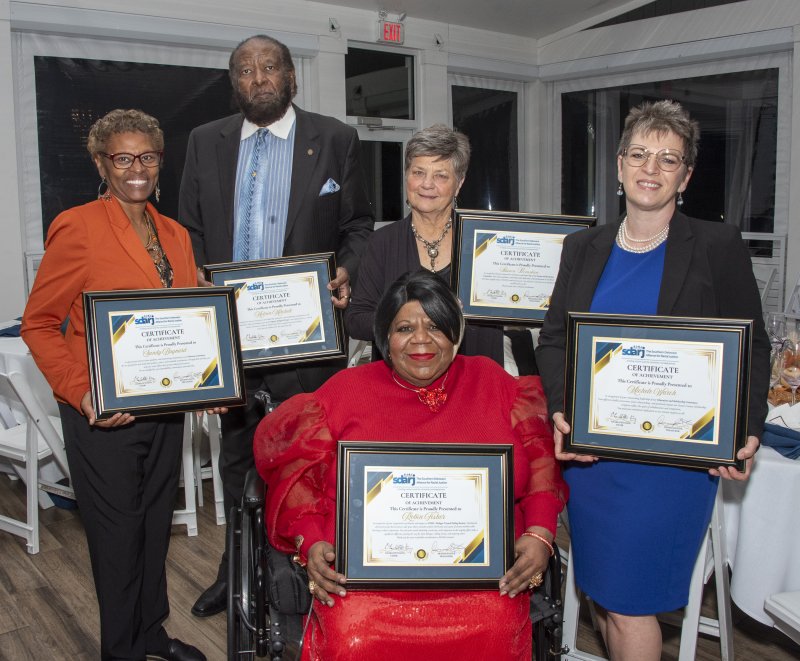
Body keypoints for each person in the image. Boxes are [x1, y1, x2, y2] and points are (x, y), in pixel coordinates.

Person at [536, 99, 770, 660]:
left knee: (631, 604)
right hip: (596, 463)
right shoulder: (582, 246)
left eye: (668, 159)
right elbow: (553, 340)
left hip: (671, 467)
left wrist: (745, 428)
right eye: (639, 154)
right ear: (618, 166)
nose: (650, 168)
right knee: (605, 597)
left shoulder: (718, 247)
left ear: (685, 176)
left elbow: (753, 346)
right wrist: (564, 410)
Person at [254, 270, 568, 659]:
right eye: (405, 327)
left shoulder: (493, 382)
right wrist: (313, 542)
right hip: (365, 585)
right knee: (352, 635)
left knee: (496, 627)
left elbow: (541, 462)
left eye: (435, 326)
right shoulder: (344, 392)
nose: (421, 339)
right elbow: (299, 478)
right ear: (385, 337)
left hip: (482, 582)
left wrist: (539, 534)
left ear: (455, 334)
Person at [178, 34, 373, 617]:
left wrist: (344, 270)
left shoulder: (335, 138)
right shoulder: (203, 142)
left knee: (309, 464)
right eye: (245, 70)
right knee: (236, 461)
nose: (258, 78)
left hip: (308, 341)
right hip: (232, 340)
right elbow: (188, 230)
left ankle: (308, 578)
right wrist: (197, 287)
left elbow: (359, 225)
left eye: (269, 67)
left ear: (291, 77)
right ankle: (234, 572)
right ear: (233, 82)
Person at [21, 109, 206, 661]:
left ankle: (151, 633)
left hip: (165, 411)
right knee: (117, 540)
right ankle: (121, 650)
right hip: (104, 418)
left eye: (147, 157)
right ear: (101, 163)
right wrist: (82, 392)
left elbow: (189, 316)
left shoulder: (174, 233)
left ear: (160, 161)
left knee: (153, 529)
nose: (136, 169)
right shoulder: (77, 226)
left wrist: (210, 379)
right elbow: (38, 323)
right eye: (122, 158)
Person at [345, 124, 537, 373]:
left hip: (475, 379)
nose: (427, 184)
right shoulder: (381, 243)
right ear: (406, 176)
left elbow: (521, 305)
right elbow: (356, 320)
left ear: (459, 183)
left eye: (440, 175)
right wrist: (409, 321)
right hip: (402, 385)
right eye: (418, 172)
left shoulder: (489, 243)